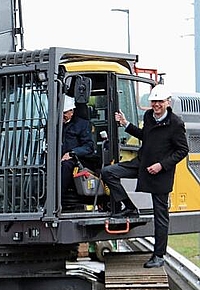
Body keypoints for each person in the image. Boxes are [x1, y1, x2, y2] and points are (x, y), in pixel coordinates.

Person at [101, 84, 189, 268]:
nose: (156, 105)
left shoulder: (176, 123)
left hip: (160, 174)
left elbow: (182, 150)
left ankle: (159, 256)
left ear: (168, 102)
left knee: (160, 217)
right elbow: (145, 136)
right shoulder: (149, 116)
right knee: (108, 172)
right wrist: (126, 124)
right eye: (154, 101)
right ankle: (130, 207)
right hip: (141, 164)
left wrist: (161, 166)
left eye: (160, 102)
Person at [61, 95, 95, 197]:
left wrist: (72, 153)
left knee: (65, 166)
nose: (63, 117)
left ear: (72, 111)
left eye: (65, 114)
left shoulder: (82, 124)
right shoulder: (53, 124)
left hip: (76, 159)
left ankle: (56, 199)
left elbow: (89, 146)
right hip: (57, 157)